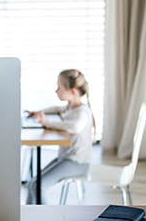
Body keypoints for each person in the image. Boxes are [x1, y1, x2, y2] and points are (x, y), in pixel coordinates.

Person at [24, 69, 95, 204]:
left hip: (77, 163)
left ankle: (46, 220)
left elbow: (75, 127)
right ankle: (28, 216)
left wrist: (47, 122)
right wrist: (39, 112)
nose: (56, 91)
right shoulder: (69, 107)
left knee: (39, 186)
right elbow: (56, 109)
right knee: (32, 183)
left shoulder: (82, 111)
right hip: (64, 158)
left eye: (60, 88)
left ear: (73, 92)